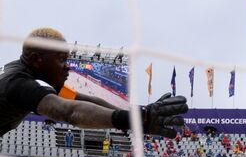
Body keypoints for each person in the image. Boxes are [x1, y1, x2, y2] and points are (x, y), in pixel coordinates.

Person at [0, 27, 188, 138]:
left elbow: (82, 100)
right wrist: (131, 120)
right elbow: (70, 112)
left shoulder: (31, 75)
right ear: (37, 59)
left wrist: (137, 115)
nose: (68, 67)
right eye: (61, 59)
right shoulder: (19, 84)